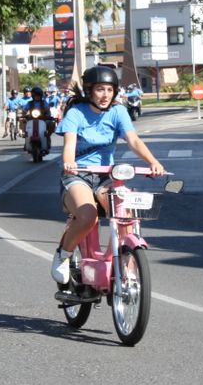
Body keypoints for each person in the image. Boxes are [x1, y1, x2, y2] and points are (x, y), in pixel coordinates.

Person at [50, 65, 165, 284]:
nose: (105, 95)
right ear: (89, 90)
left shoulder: (118, 111)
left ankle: (128, 267)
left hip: (106, 177)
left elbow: (133, 140)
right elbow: (69, 144)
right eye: (100, 89)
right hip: (78, 176)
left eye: (110, 90)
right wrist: (69, 163)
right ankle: (63, 255)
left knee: (126, 215)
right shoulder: (76, 112)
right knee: (88, 215)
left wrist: (153, 162)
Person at [22, 85, 54, 154]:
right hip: (31, 119)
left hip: (43, 119)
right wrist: (23, 114)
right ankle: (26, 137)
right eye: (35, 95)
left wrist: (48, 115)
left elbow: (48, 110)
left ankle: (47, 136)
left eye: (38, 95)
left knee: (52, 123)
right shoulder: (29, 103)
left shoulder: (44, 102)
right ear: (33, 96)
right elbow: (24, 110)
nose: (37, 97)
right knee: (23, 122)